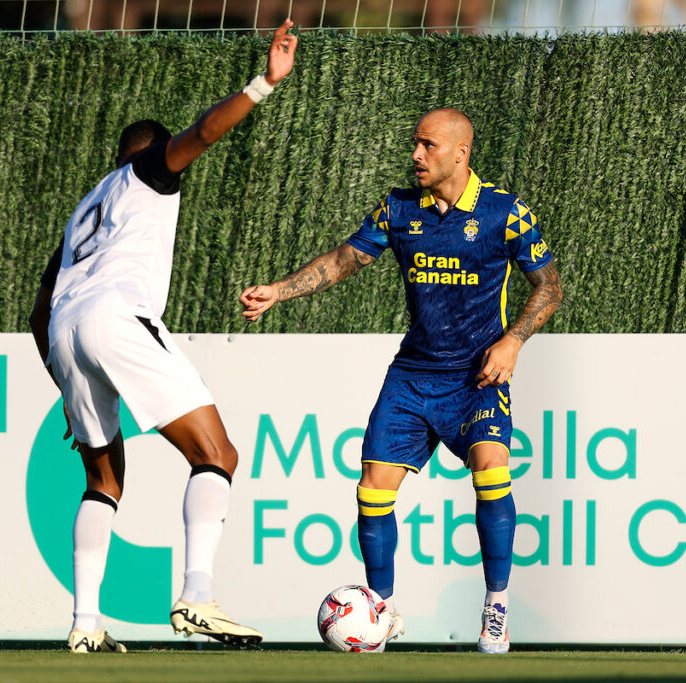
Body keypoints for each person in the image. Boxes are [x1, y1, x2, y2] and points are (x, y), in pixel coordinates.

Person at [239, 107, 562, 654]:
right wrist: (280, 290)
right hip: (413, 376)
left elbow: (549, 287)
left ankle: (496, 608)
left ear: (460, 153)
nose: (416, 154)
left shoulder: (506, 213)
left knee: (490, 471)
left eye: (428, 145)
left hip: (476, 377)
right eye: (415, 144)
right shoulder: (398, 208)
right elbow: (345, 259)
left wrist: (512, 342)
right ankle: (380, 613)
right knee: (372, 490)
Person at [28, 20, 298, 653]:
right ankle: (197, 599)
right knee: (217, 454)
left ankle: (85, 626)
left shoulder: (82, 213)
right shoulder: (150, 170)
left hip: (66, 334)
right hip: (115, 317)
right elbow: (204, 131)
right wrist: (264, 83)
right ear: (150, 153)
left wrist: (66, 387)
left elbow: (38, 317)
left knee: (103, 481)